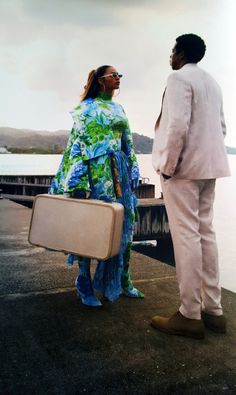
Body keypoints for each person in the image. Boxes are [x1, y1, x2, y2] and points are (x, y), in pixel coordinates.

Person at [151, 34, 230, 339]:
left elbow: (177, 125)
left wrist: (168, 168)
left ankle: (189, 314)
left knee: (186, 237)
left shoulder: (178, 78)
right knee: (206, 234)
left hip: (183, 170)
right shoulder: (212, 83)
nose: (171, 56)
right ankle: (214, 311)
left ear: (181, 53)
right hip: (210, 167)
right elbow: (222, 127)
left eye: (173, 50)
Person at [49, 65, 144, 307]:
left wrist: (133, 165)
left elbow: (127, 141)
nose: (118, 78)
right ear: (101, 80)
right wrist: (78, 178)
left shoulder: (118, 108)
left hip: (119, 173)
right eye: (113, 75)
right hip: (96, 173)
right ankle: (84, 283)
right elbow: (77, 146)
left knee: (125, 225)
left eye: (119, 75)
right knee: (91, 227)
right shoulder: (85, 109)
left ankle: (124, 280)